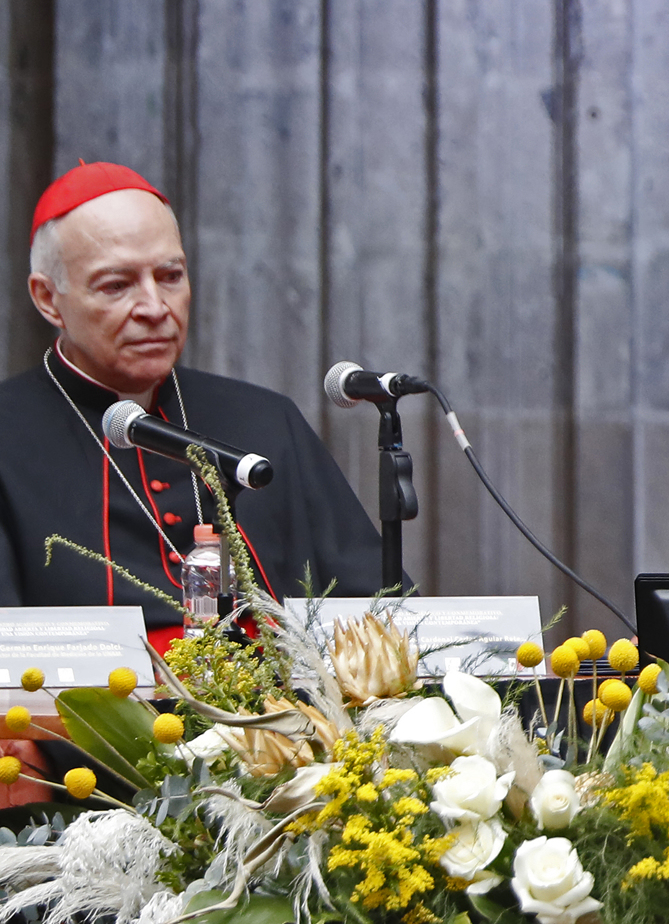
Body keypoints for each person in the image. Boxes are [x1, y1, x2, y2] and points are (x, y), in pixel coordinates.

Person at [0, 162, 389, 639]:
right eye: (117, 285)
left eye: (170, 276)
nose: (155, 307)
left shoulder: (265, 419)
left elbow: (374, 610)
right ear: (47, 298)